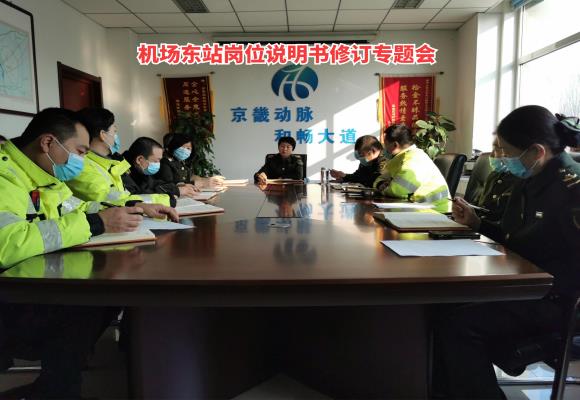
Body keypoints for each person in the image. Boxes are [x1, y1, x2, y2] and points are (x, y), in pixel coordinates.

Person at [0, 108, 173, 398]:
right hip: (10, 298)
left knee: (106, 295)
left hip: (33, 281)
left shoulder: (42, 175)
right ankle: (58, 388)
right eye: (79, 152)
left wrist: (133, 208)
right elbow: (7, 244)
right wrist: (96, 223)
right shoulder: (5, 176)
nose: (81, 160)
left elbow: (78, 208)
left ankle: (59, 381)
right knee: (86, 302)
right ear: (48, 143)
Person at [433, 106, 580, 399]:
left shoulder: (572, 188)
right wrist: (478, 223)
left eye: (505, 151)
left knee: (459, 326)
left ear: (536, 151)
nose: (499, 158)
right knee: (439, 303)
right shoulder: (530, 178)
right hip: (526, 283)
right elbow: (517, 237)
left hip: (559, 299)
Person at [66, 107, 172, 209]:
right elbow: (117, 202)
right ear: (103, 135)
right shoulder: (81, 167)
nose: (116, 136)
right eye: (114, 131)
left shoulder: (111, 162)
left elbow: (126, 197)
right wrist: (166, 200)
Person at [373, 124, 450, 212]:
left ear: (395, 145)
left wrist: (384, 188)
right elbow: (381, 178)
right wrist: (380, 184)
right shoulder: (402, 158)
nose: (384, 148)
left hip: (435, 211)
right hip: (419, 207)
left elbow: (398, 191)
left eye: (386, 144)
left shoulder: (414, 159)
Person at [122, 137, 198, 201]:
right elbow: (139, 196)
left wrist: (176, 187)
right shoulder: (122, 172)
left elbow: (154, 184)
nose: (159, 164)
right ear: (139, 160)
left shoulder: (140, 169)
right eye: (156, 161)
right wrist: (176, 191)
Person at [475, 136, 519, 223]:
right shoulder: (493, 175)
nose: (491, 155)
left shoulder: (520, 179)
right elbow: (478, 204)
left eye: (497, 149)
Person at [157, 133, 224, 188]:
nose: (185, 150)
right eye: (182, 147)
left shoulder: (181, 161)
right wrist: (201, 183)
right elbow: (170, 185)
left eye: (188, 148)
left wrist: (207, 180)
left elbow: (190, 176)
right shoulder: (164, 162)